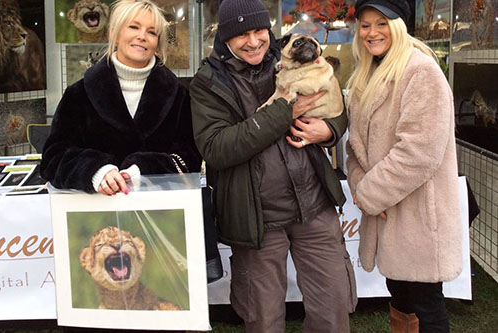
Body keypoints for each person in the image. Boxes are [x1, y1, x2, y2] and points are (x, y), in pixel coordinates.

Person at [190, 0, 357, 332]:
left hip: (314, 204)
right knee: (263, 319)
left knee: (334, 309)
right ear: (225, 37)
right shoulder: (208, 82)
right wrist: (284, 112)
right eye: (241, 35)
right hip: (257, 218)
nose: (253, 42)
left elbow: (334, 103)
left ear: (269, 31)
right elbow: (217, 148)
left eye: (258, 31)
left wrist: (331, 129)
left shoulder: (291, 57)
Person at [346, 1, 462, 332]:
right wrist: (360, 186)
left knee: (425, 300)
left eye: (381, 23)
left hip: (419, 216)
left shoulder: (420, 70)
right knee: (400, 294)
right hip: (390, 212)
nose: (371, 33)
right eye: (365, 25)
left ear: (398, 24)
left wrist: (369, 195)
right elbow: (355, 148)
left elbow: (419, 151)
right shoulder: (368, 74)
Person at [40, 0, 201, 194]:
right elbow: (53, 157)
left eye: (151, 32)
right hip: (96, 212)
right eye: (134, 27)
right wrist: (96, 171)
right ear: (114, 34)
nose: (142, 36)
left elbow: (190, 158)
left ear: (157, 42)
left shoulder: (178, 95)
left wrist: (143, 169)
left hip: (160, 212)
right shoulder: (79, 94)